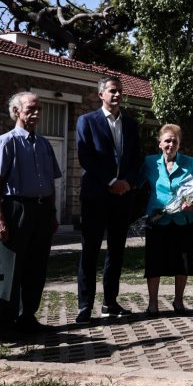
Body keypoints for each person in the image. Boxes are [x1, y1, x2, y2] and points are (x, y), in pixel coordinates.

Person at [0, 92, 62, 340]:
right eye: (31, 109)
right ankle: (2, 323)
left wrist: (52, 213)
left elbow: (51, 182)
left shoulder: (44, 144)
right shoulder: (6, 142)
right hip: (16, 209)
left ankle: (27, 317)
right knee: (12, 268)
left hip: (41, 210)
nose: (37, 113)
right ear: (17, 111)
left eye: (39, 109)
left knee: (36, 267)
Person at [75, 76, 143, 323]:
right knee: (90, 252)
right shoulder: (87, 121)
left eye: (120, 91)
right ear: (101, 94)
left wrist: (127, 182)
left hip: (122, 197)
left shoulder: (131, 124)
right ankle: (84, 306)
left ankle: (110, 303)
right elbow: (86, 157)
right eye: (113, 91)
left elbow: (137, 158)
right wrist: (110, 182)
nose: (117, 95)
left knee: (116, 251)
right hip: (96, 196)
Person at [141, 124, 193, 316]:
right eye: (167, 140)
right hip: (157, 220)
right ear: (160, 143)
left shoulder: (189, 162)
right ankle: (153, 304)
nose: (171, 144)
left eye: (174, 140)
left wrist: (192, 203)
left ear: (179, 143)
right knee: (154, 262)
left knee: (182, 261)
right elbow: (137, 183)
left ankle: (179, 302)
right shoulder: (149, 162)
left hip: (183, 219)